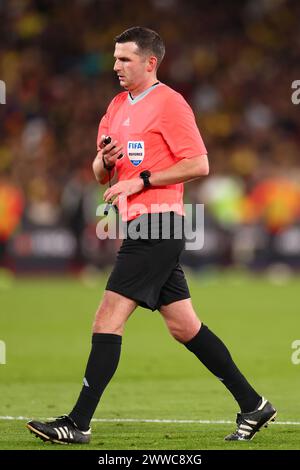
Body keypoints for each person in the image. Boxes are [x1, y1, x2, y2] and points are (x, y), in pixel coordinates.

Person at [27, 26, 276, 444]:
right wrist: (104, 163)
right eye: (115, 58)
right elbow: (98, 172)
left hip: (159, 224)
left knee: (107, 317)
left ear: (150, 62)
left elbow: (199, 164)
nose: (116, 66)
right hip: (138, 224)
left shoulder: (171, 104)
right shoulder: (116, 105)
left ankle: (78, 422)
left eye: (125, 59)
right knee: (185, 327)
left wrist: (141, 180)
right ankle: (254, 405)